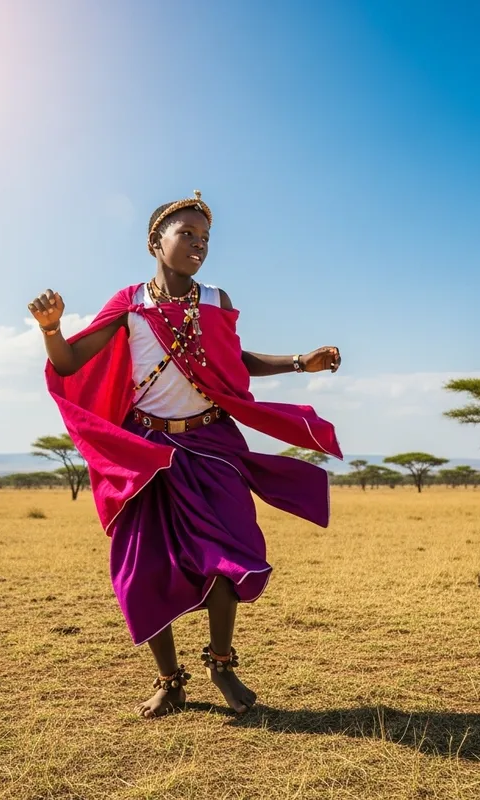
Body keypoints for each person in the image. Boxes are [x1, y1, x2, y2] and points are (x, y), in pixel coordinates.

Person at [28, 191, 342, 718]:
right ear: (155, 241)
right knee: (145, 566)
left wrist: (297, 362)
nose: (198, 245)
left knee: (231, 555)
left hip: (212, 445)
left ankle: (221, 663)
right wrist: (52, 327)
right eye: (186, 235)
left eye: (205, 238)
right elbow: (68, 363)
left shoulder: (216, 301)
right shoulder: (130, 303)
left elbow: (234, 362)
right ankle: (170, 680)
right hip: (147, 452)